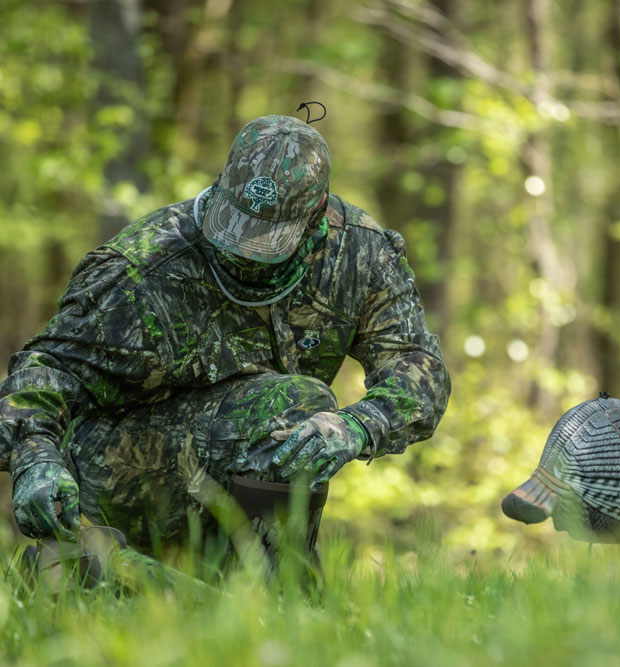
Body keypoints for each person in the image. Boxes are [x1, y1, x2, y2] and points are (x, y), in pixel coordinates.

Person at [0, 113, 451, 558]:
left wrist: (358, 425)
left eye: (266, 243)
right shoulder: (143, 268)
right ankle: (103, 556)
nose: (243, 256)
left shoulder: (361, 255)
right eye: (232, 229)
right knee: (293, 403)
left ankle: (266, 595)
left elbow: (418, 366)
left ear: (316, 223)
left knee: (303, 414)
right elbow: (46, 370)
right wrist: (35, 458)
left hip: (241, 468)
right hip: (113, 477)